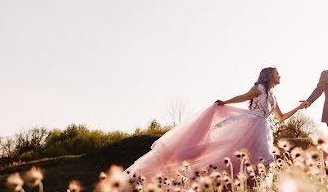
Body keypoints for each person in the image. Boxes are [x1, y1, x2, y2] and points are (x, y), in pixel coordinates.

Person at [127, 67, 307, 182]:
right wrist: (226, 102)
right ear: (269, 76)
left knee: (261, 161)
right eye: (277, 73)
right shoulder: (259, 89)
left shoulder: (273, 96)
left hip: (262, 129)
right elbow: (243, 97)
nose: (280, 75)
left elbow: (281, 117)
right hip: (250, 127)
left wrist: (299, 107)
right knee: (255, 160)